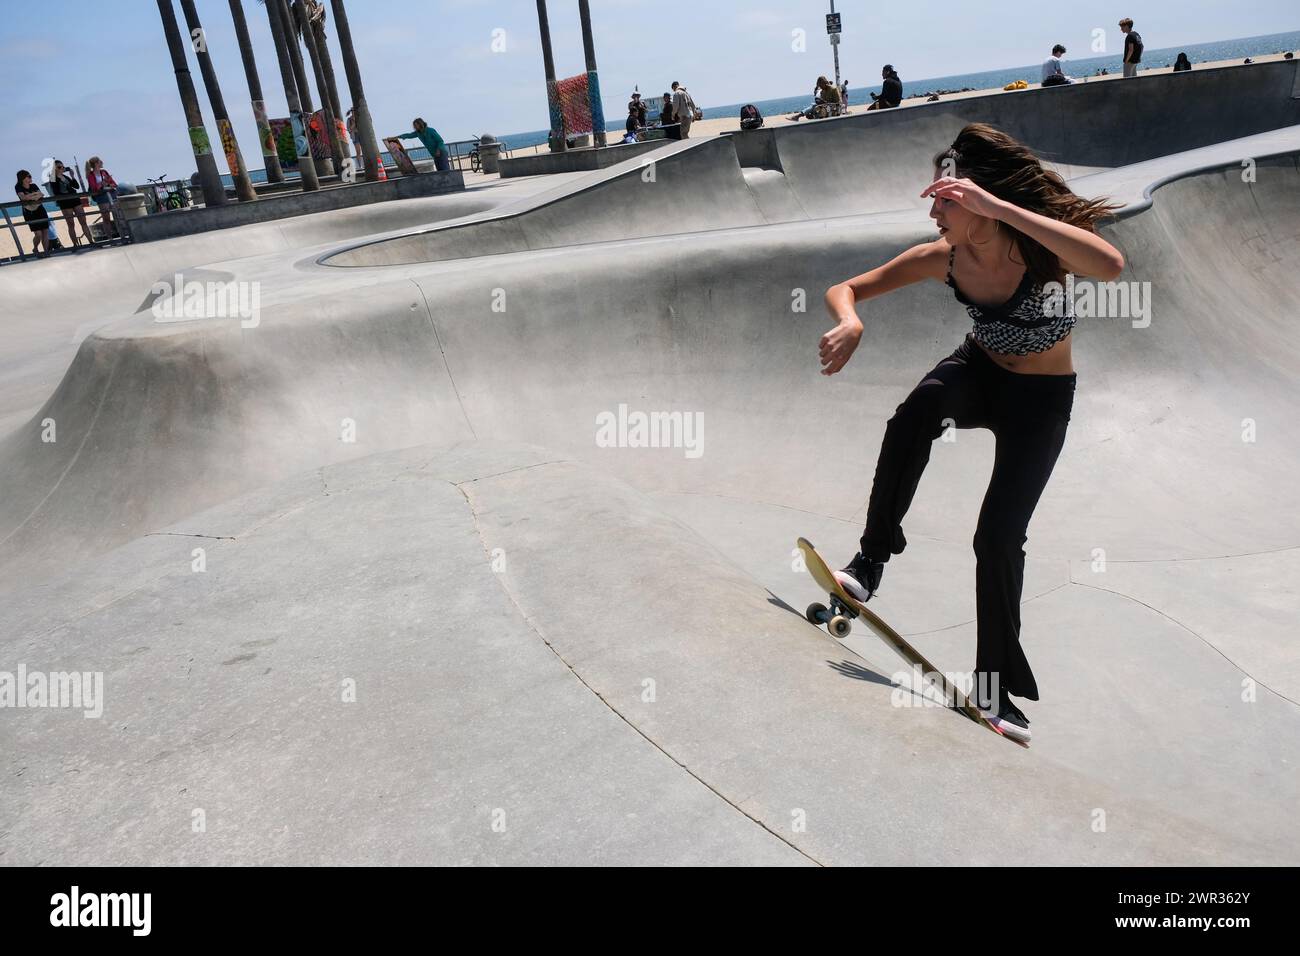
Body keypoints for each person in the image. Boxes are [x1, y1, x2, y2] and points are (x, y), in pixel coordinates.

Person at [818, 123, 1124, 742]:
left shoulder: (1038, 250)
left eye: (943, 200)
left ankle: (996, 688)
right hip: (978, 373)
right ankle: (869, 562)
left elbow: (1111, 265)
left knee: (998, 536)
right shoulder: (944, 257)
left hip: (1040, 401)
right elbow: (847, 286)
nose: (932, 210)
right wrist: (850, 321)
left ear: (975, 204)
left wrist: (998, 205)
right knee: (915, 414)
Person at [49, 160, 94, 248]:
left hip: (75, 200)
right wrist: (59, 179)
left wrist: (72, 176)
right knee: (70, 224)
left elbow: (76, 186)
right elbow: (56, 192)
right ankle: (75, 245)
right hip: (65, 203)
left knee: (83, 222)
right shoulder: (53, 179)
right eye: (59, 167)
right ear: (55, 169)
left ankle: (91, 242)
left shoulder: (66, 177)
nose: (61, 168)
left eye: (62, 166)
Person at [15, 169, 51, 256]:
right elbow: (23, 198)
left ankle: (46, 252)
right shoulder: (18, 187)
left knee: (45, 231)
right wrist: (34, 195)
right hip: (29, 212)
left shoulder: (33, 185)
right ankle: (35, 248)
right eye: (29, 176)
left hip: (40, 209)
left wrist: (30, 196)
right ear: (23, 178)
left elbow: (41, 194)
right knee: (38, 234)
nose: (31, 178)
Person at [85, 156, 118, 240]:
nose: (102, 162)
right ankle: (110, 238)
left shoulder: (104, 172)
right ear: (96, 163)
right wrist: (102, 184)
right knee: (106, 218)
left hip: (111, 194)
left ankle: (121, 235)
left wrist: (108, 184)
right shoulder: (91, 175)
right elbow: (94, 188)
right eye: (100, 161)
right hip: (101, 197)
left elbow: (114, 184)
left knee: (117, 215)